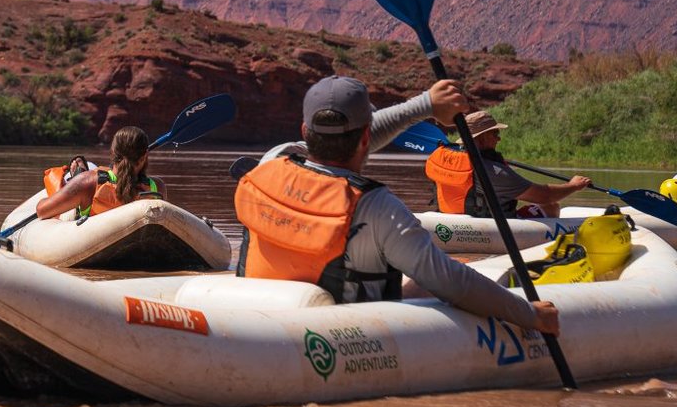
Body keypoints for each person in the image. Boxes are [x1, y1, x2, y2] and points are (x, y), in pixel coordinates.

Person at [234, 76, 559, 334]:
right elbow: (453, 283)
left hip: (258, 317)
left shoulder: (269, 162)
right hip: (343, 333)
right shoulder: (376, 207)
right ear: (364, 139)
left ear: (305, 131)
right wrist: (529, 314)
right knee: (430, 277)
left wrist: (427, 104)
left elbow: (349, 140)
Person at [425, 111, 591, 218]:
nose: (499, 138)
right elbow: (544, 195)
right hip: (489, 227)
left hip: (448, 220)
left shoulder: (444, 156)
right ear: (481, 138)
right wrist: (573, 185)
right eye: (495, 133)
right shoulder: (492, 171)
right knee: (551, 205)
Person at [34, 127, 159, 222]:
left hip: (82, 188)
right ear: (144, 156)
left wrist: (47, 198)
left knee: (78, 186)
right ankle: (77, 176)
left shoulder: (88, 182)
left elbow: (41, 211)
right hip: (135, 248)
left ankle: (76, 177)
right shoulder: (157, 188)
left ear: (113, 152)